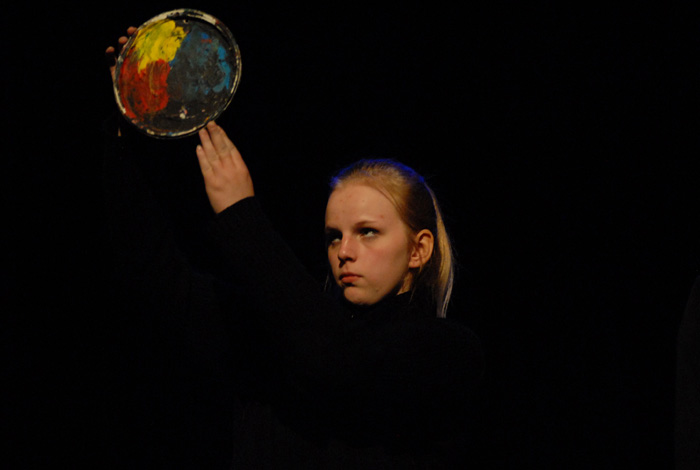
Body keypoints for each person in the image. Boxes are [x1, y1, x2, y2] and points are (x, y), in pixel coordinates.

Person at [104, 28, 483, 469]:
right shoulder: (280, 333)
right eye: (334, 236)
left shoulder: (447, 354)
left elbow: (338, 366)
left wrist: (241, 215)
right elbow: (161, 278)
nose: (344, 251)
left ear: (419, 249)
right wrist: (120, 136)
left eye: (368, 232)